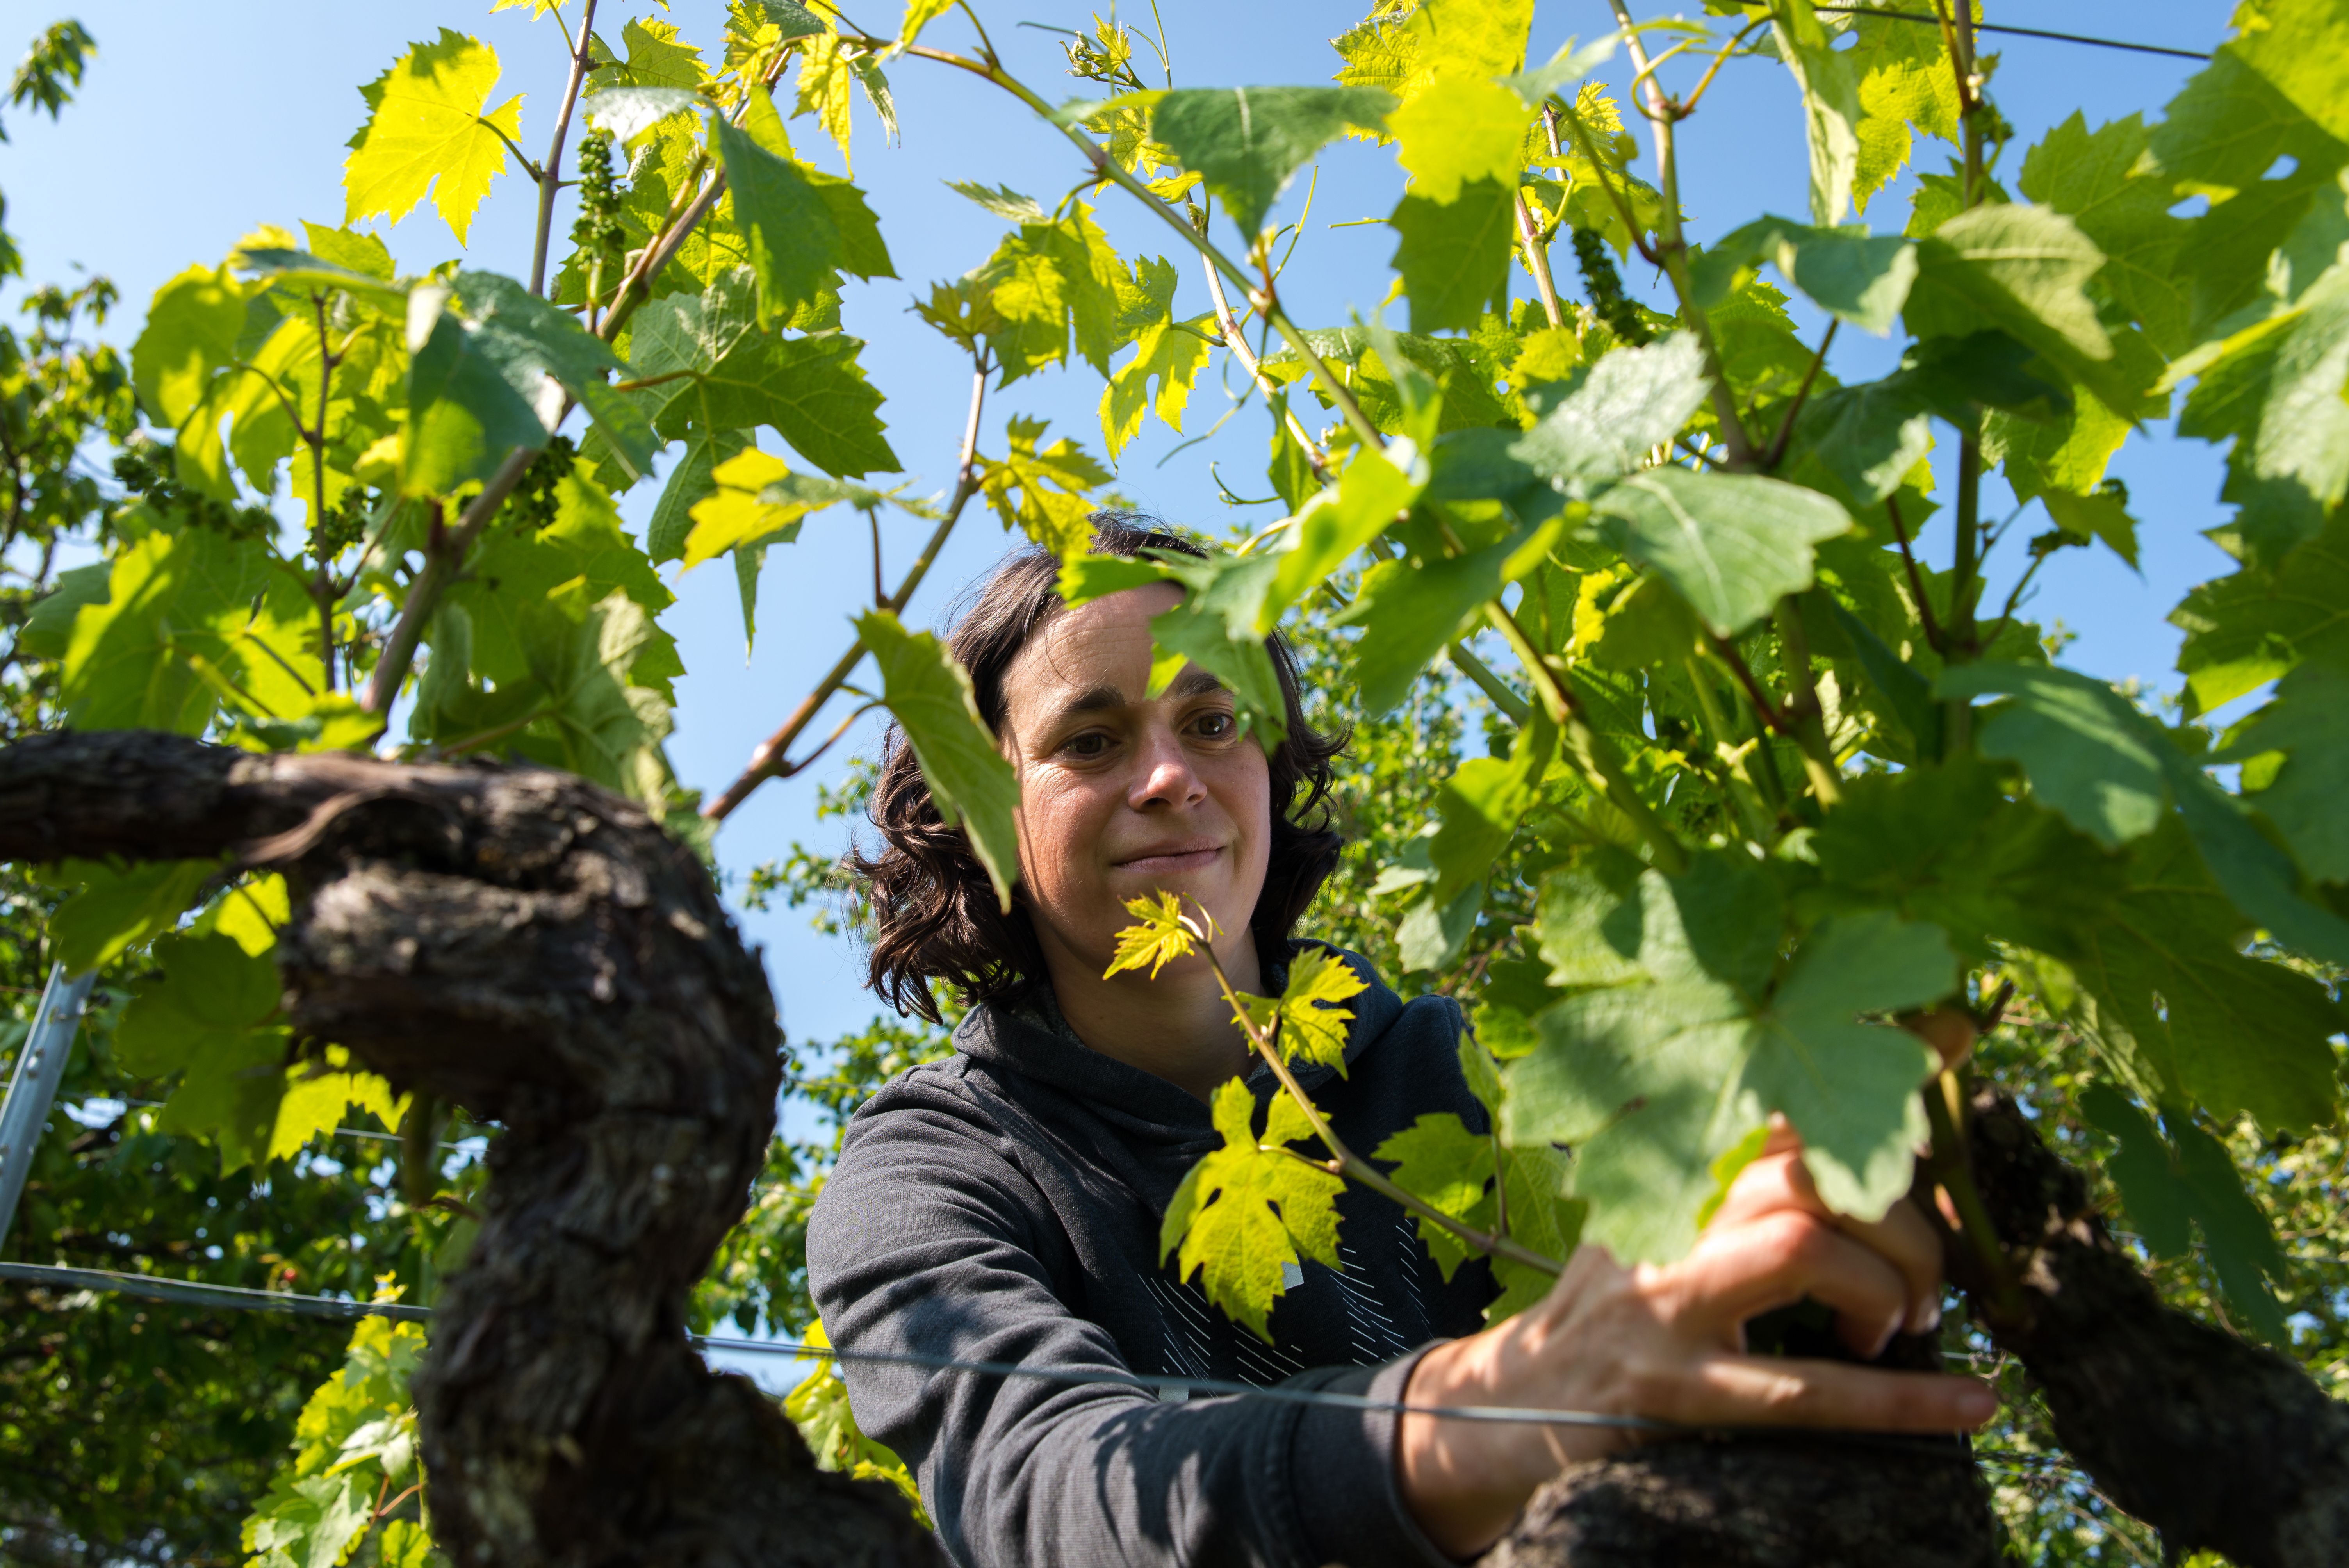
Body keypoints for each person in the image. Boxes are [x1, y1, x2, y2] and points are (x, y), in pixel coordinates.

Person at [805, 519, 1995, 1567]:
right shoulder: (931, 1172)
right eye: (1092, 742)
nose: (1172, 776)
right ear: (981, 808)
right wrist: (1498, 1407)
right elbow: (1048, 1491)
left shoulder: (1481, 1071)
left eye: (1215, 721)